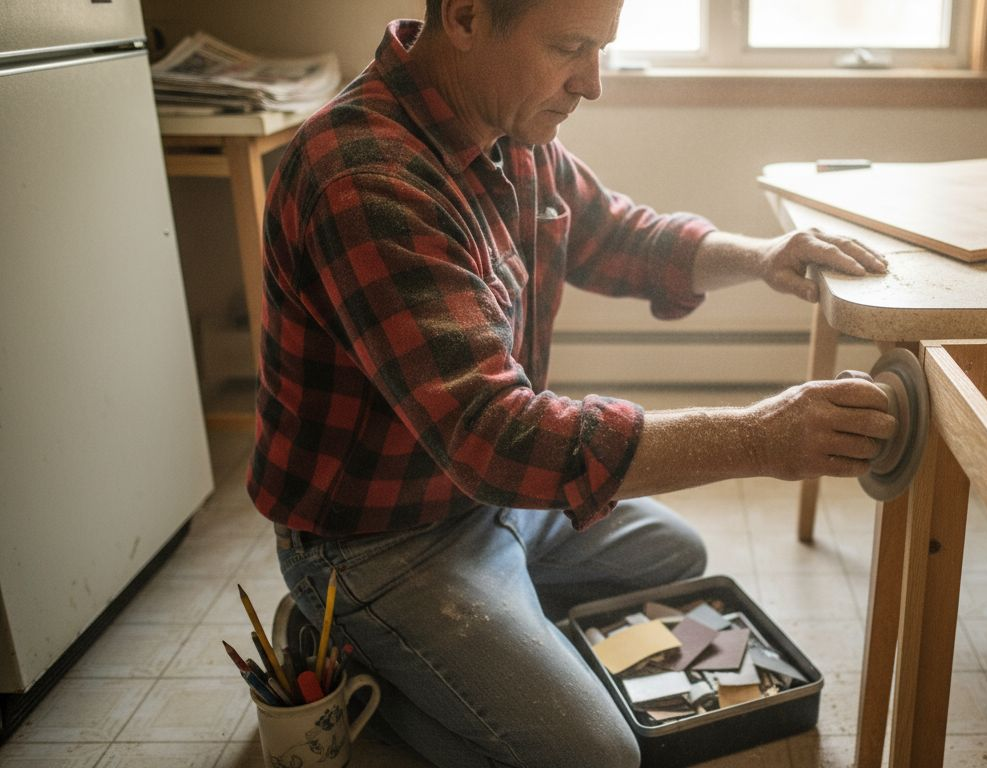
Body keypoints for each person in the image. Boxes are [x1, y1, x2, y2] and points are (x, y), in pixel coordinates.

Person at [251, 1, 894, 765]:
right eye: (571, 47)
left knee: (672, 555)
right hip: (377, 540)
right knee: (598, 757)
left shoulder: (508, 125)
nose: (593, 82)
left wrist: (760, 255)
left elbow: (619, 234)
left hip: (483, 497)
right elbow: (501, 436)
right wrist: (763, 437)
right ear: (463, 17)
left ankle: (473, 638)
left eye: (603, 49)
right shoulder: (366, 177)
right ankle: (364, 654)